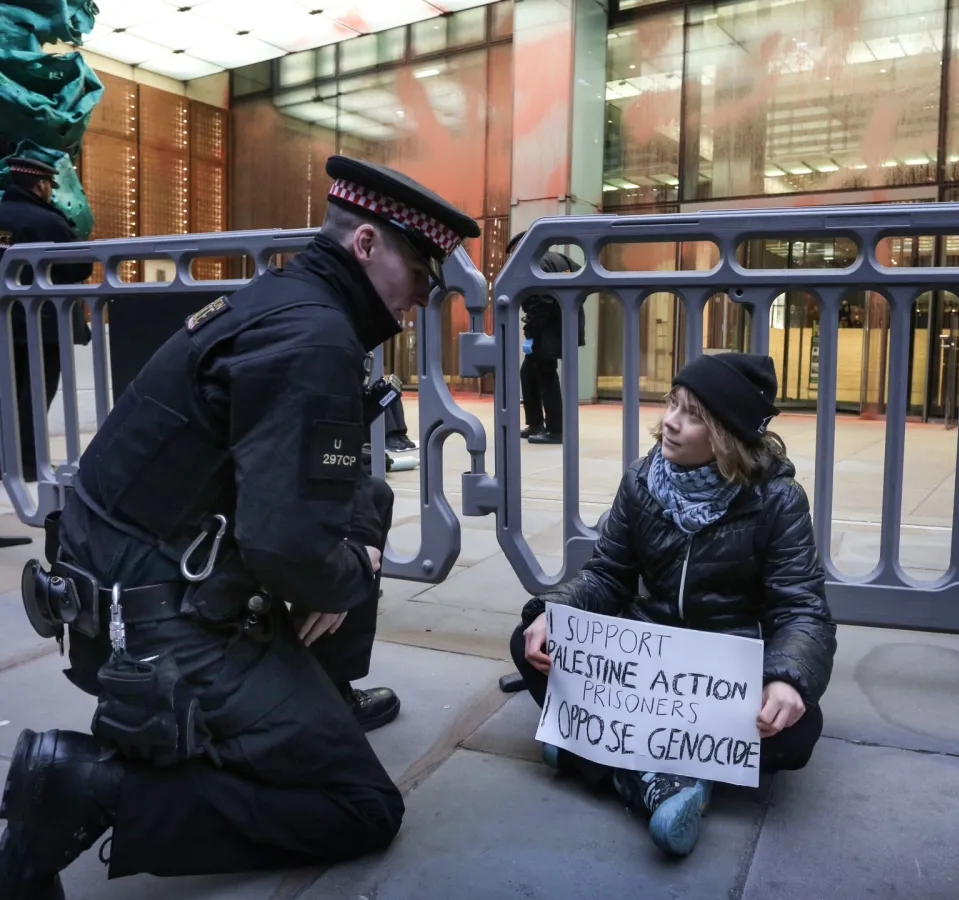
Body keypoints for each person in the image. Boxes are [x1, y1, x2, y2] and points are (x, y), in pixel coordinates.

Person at [0, 155, 481, 898]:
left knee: (364, 514)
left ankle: (317, 695)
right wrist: (350, 573)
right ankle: (87, 788)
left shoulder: (289, 303)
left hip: (130, 585)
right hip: (160, 629)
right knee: (362, 808)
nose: (423, 296)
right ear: (365, 247)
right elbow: (285, 547)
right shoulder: (313, 338)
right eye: (420, 273)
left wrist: (337, 557)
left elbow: (334, 475)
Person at [511, 352, 836, 857]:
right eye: (672, 404)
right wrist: (554, 613)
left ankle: (597, 754)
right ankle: (657, 776)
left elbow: (802, 609)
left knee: (797, 734)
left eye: (693, 414)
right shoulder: (642, 481)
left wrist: (787, 678)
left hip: (723, 673)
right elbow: (606, 574)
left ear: (726, 433)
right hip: (646, 664)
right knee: (530, 641)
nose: (669, 422)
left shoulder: (777, 500)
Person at [0, 156, 94, 483]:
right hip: (42, 325)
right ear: (41, 184)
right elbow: (79, 267)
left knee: (6, 394)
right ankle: (28, 462)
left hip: (3, 324)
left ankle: (5, 460)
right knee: (35, 394)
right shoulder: (46, 221)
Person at [508, 230, 585, 445]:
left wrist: (530, 333)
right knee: (529, 372)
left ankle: (555, 429)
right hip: (565, 326)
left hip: (548, 330)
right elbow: (582, 280)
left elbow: (541, 302)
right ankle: (536, 423)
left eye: (514, 251)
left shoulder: (537, 262)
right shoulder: (560, 259)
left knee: (546, 375)